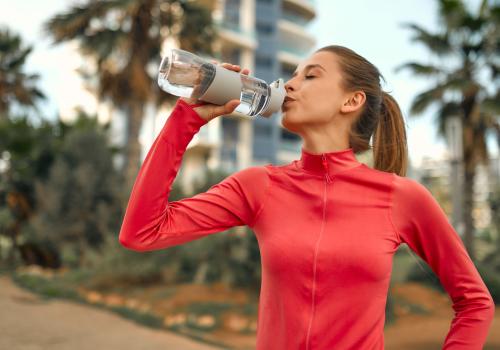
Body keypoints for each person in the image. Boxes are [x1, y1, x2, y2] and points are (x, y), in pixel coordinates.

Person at [118, 45, 495, 349]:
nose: (290, 84)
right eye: (294, 75)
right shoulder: (258, 185)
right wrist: (187, 119)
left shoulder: (402, 197)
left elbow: (475, 303)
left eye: (311, 75)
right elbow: (142, 232)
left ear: (352, 101)